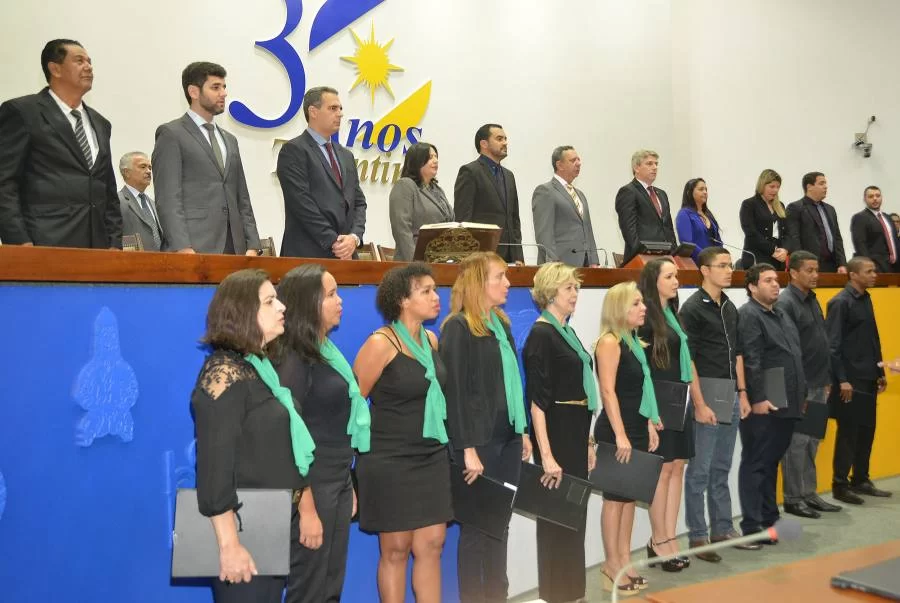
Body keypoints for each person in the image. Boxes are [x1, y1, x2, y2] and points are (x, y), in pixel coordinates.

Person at [191, 268, 315, 603]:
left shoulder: (257, 368)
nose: (282, 307)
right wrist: (229, 545)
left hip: (274, 519)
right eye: (270, 301)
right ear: (243, 312)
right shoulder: (224, 373)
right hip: (245, 528)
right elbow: (214, 468)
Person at [353, 263, 452, 603]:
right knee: (396, 548)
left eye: (435, 289)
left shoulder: (432, 340)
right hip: (389, 459)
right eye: (426, 291)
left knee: (433, 543)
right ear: (402, 300)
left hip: (431, 455)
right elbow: (353, 403)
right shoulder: (380, 343)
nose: (436, 297)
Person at [272, 265, 371, 603]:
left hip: (336, 479)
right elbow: (287, 435)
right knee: (309, 589)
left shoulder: (325, 349)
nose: (340, 301)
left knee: (330, 585)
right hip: (312, 487)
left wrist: (347, 482)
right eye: (331, 295)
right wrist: (307, 506)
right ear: (308, 303)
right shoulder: (293, 359)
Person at [439, 251, 532, 602]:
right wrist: (466, 449)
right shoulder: (458, 328)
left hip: (507, 438)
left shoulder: (501, 325)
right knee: (477, 531)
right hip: (478, 443)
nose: (507, 283)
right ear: (479, 282)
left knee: (499, 525)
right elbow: (454, 394)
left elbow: (512, 382)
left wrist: (522, 431)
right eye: (499, 277)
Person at [522, 262, 597, 603]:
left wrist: (589, 442)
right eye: (569, 288)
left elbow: (582, 391)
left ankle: (574, 593)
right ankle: (557, 595)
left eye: (576, 287)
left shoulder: (567, 331)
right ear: (550, 292)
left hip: (576, 432)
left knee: (575, 518)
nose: (575, 294)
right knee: (556, 520)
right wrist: (547, 456)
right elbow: (537, 403)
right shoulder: (541, 334)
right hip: (556, 434)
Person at [0, 39, 122, 248]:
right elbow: (5, 183)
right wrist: (19, 242)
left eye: (90, 61)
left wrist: (114, 242)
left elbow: (108, 188)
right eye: (79, 61)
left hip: (98, 248)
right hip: (43, 244)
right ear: (55, 69)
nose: (89, 67)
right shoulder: (23, 112)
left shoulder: (101, 123)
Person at [680, 247, 755, 561]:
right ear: (705, 270)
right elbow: (689, 361)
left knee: (722, 467)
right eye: (722, 265)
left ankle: (723, 528)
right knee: (700, 470)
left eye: (729, 265)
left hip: (730, 392)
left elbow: (737, 353)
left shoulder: (730, 307)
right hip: (707, 394)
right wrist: (699, 403)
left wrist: (742, 393)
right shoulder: (692, 309)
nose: (728, 270)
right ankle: (698, 537)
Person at [637, 257, 707, 572]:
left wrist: (698, 401)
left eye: (676, 276)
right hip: (660, 400)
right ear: (653, 281)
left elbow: (686, 361)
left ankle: (669, 537)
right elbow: (642, 368)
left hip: (680, 398)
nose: (676, 281)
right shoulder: (645, 318)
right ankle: (659, 540)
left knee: (677, 467)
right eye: (669, 276)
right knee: (662, 470)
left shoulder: (673, 315)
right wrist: (650, 412)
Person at [594, 281, 660, 596]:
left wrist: (648, 425)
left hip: (635, 427)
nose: (643, 308)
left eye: (642, 302)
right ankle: (611, 563)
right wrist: (621, 435)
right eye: (635, 303)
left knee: (629, 499)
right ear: (619, 308)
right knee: (614, 500)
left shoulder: (633, 341)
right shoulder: (609, 342)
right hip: (616, 431)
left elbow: (639, 391)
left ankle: (624, 559)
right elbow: (608, 392)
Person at [152, 62, 260, 255]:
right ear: (193, 92)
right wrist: (182, 247)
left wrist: (253, 244)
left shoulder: (230, 139)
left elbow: (242, 197)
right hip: (194, 245)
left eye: (224, 87)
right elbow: (168, 198)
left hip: (235, 247)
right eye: (215, 87)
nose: (224, 93)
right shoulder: (171, 134)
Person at [737, 263, 806, 541]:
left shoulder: (780, 313)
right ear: (752, 287)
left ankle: (769, 517)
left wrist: (800, 395)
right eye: (767, 280)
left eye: (776, 280)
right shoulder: (749, 315)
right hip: (765, 401)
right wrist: (758, 398)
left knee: (771, 461)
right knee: (757, 462)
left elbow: (794, 355)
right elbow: (751, 359)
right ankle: (752, 525)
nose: (776, 284)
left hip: (786, 398)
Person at [776, 251, 842, 518]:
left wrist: (827, 379)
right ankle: (793, 498)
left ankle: (809, 493)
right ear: (793, 273)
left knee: (812, 441)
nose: (816, 275)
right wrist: (800, 388)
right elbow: (788, 349)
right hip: (800, 386)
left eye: (817, 270)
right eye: (809, 270)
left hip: (819, 382)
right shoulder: (786, 303)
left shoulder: (812, 299)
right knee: (797, 444)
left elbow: (822, 342)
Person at [825, 256, 890, 503]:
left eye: (874, 271)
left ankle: (861, 479)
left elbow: (873, 338)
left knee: (866, 431)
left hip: (868, 376)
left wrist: (880, 370)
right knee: (849, 433)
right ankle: (840, 485)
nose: (875, 275)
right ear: (853, 275)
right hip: (850, 380)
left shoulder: (866, 298)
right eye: (869, 271)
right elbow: (833, 347)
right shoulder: (840, 302)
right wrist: (842, 379)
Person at [278, 86, 367, 259]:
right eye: (333, 108)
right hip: (308, 256)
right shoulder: (293, 151)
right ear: (313, 112)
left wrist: (354, 237)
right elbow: (302, 204)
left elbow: (358, 202)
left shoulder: (346, 155)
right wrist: (334, 242)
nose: (340, 114)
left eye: (340, 108)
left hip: (346, 255)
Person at [453, 124, 524, 264]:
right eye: (499, 139)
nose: (505, 143)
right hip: (481, 255)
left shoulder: (509, 176)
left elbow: (514, 219)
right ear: (484, 144)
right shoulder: (470, 172)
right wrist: (469, 257)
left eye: (505, 139)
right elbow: (463, 218)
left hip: (510, 257)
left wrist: (518, 256)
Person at [531, 146, 600, 267]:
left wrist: (594, 261)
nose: (578, 163)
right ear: (559, 165)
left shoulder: (580, 195)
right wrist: (553, 264)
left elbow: (588, 230)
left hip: (585, 265)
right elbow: (544, 234)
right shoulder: (545, 191)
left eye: (578, 159)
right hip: (560, 265)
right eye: (573, 160)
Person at [388, 143, 454, 261]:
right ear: (417, 161)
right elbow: (402, 230)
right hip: (415, 262)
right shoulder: (405, 185)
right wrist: (415, 262)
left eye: (436, 156)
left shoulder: (437, 189)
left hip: (441, 260)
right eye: (430, 157)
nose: (436, 161)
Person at [615, 150, 676, 266]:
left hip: (666, 259)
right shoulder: (628, 191)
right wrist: (643, 253)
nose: (655, 167)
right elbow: (629, 231)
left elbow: (668, 228)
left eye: (656, 164)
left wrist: (674, 255)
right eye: (649, 164)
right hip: (642, 259)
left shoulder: (662, 194)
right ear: (636, 168)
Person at [785, 172, 847, 273]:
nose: (825, 187)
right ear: (809, 187)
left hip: (833, 265)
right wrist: (800, 263)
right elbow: (794, 238)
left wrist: (842, 264)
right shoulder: (796, 208)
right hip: (809, 265)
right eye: (821, 183)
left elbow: (837, 238)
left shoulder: (830, 209)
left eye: (825, 183)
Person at [738, 169, 788, 270]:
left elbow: (786, 232)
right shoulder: (749, 204)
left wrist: (785, 250)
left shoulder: (781, 205)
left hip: (778, 259)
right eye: (772, 186)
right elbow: (750, 232)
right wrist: (772, 250)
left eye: (778, 187)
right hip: (757, 258)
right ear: (762, 185)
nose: (775, 190)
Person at [118, 151, 163, 251]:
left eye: (150, 168)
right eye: (143, 167)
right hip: (132, 259)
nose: (148, 171)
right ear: (126, 172)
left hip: (161, 259)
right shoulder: (117, 202)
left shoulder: (153, 203)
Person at [850, 186, 899, 274]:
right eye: (871, 196)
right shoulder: (860, 218)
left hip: (895, 268)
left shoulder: (888, 218)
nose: (875, 198)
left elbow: (895, 242)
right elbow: (860, 245)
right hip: (876, 268)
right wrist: (870, 268)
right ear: (865, 199)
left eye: (878, 195)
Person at [675, 178, 722, 264]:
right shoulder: (684, 214)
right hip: (696, 263)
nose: (705, 192)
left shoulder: (708, 214)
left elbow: (718, 241)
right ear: (689, 193)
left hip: (713, 263)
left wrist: (721, 257)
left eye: (706, 189)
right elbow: (687, 244)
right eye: (701, 189)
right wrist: (706, 257)